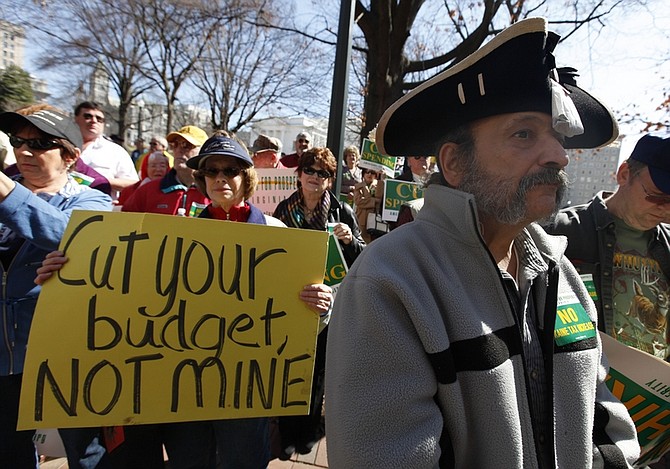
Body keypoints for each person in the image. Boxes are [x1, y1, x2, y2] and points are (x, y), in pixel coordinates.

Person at [325, 17, 640, 468]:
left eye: (557, 136)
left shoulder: (560, 274)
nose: (558, 155)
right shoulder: (390, 282)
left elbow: (604, 422)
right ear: (454, 163)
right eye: (524, 134)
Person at [0, 108, 112, 468]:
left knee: (85, 451)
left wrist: (5, 190)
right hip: (5, 361)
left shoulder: (90, 199)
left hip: (62, 354)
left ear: (70, 156)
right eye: (19, 142)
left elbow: (71, 234)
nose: (26, 152)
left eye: (41, 144)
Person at [273, 147, 365, 460]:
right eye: (310, 170)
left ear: (330, 180)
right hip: (291, 302)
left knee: (317, 372)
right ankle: (287, 432)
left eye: (323, 173)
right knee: (288, 368)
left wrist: (350, 239)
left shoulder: (342, 213)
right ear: (299, 174)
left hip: (328, 306)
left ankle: (308, 431)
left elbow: (361, 259)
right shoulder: (283, 211)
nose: (315, 177)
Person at [546, 134, 670, 360]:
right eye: (658, 197)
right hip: (591, 381)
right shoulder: (560, 232)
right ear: (624, 174)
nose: (666, 209)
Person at [123, 125, 209, 216]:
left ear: (203, 151)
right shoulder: (148, 191)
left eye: (186, 145)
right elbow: (125, 222)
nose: (179, 150)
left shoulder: (214, 193)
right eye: (175, 145)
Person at [74, 101, 139, 196]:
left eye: (99, 119)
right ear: (76, 119)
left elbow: (133, 184)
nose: (94, 121)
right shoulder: (61, 147)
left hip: (97, 207)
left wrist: (99, 181)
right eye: (88, 116)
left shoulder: (116, 151)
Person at [353, 167, 381, 243]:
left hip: (374, 219)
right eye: (367, 172)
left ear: (375, 175)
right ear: (363, 174)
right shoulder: (358, 186)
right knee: (360, 240)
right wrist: (374, 201)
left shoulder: (379, 186)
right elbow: (358, 202)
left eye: (372, 172)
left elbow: (380, 199)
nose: (369, 174)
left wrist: (367, 201)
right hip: (361, 218)